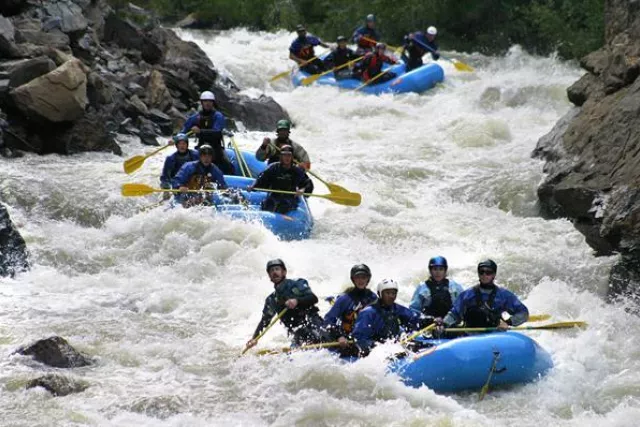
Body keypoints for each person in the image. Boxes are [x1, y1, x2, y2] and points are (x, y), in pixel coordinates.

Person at [245, 259, 323, 350]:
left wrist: (297, 301)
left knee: (318, 337)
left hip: (314, 323)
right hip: (298, 332)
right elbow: (265, 321)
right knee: (295, 350)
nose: (274, 272)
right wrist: (254, 338)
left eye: (277, 269)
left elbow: (313, 298)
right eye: (271, 271)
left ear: (284, 272)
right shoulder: (272, 300)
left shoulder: (298, 283)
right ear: (269, 276)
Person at [440, 260, 529, 331]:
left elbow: (523, 312)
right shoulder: (467, 294)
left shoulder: (504, 295)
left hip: (495, 335)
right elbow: (454, 314)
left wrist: (508, 322)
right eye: (481, 272)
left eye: (488, 272)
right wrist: (443, 324)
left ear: (493, 275)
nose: (484, 275)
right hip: (470, 337)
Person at [352, 279, 432, 357]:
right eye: (387, 293)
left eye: (393, 293)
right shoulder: (368, 312)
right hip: (375, 349)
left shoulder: (396, 308)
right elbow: (359, 337)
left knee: (424, 345)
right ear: (380, 294)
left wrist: (429, 321)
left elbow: (414, 319)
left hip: (392, 345)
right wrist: (377, 346)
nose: (391, 296)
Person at [322, 264, 378, 355]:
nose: (360, 280)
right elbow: (328, 321)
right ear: (353, 279)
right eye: (357, 277)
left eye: (363, 277)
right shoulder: (344, 299)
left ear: (368, 279)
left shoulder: (373, 297)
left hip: (366, 338)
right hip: (348, 340)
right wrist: (339, 337)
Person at [181, 91, 234, 174]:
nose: (207, 103)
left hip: (216, 148)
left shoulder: (218, 116)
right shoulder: (196, 117)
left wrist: (200, 131)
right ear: (202, 103)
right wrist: (176, 139)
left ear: (213, 103)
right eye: (205, 101)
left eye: (210, 101)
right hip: (201, 147)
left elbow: (216, 133)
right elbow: (183, 132)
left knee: (228, 166)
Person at [255, 119, 313, 194]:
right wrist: (263, 146)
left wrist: (302, 166)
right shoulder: (271, 144)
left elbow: (306, 163)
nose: (282, 133)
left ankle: (301, 196)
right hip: (273, 171)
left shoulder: (296, 147)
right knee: (262, 179)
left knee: (308, 183)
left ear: (288, 132)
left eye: (285, 130)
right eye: (281, 130)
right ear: (277, 131)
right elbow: (259, 158)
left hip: (289, 173)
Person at [248, 145, 311, 214]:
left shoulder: (297, 171)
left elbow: (308, 183)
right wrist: (253, 186)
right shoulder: (273, 167)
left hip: (289, 198)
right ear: (280, 156)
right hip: (274, 195)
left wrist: (303, 189)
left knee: (283, 205)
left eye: (289, 155)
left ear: (292, 157)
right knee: (268, 205)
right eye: (284, 155)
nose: (287, 158)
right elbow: (261, 178)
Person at [159, 133, 199, 200]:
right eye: (179, 144)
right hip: (177, 184)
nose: (182, 146)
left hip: (193, 182)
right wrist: (166, 190)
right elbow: (165, 177)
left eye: (184, 143)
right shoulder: (170, 159)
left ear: (187, 145)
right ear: (176, 145)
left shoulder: (195, 154)